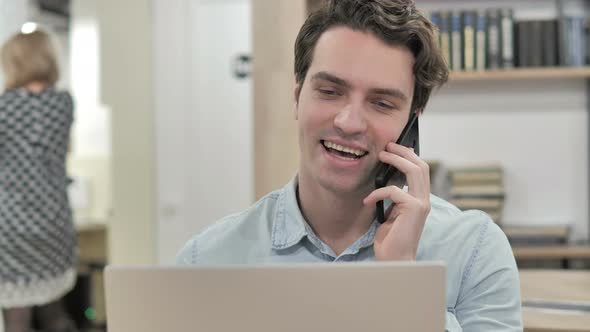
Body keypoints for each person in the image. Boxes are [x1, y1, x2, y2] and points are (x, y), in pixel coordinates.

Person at [177, 0, 522, 330]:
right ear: (298, 97)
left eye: (381, 103)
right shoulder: (206, 261)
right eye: (330, 91)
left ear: (411, 124)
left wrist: (404, 282)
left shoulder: (474, 252)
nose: (349, 122)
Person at [0, 29, 78, 332]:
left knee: (17, 319)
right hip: (54, 221)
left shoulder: (4, 108)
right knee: (55, 313)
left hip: (11, 226)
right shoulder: (64, 104)